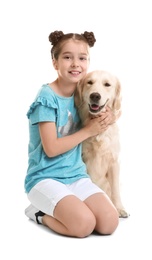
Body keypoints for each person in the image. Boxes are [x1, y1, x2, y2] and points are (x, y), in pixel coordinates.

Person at [24, 30, 120, 238]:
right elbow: (51, 149)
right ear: (55, 63)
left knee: (109, 223)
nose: (75, 64)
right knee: (83, 226)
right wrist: (88, 131)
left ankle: (69, 208)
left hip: (76, 176)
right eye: (67, 57)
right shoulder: (47, 98)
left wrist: (110, 117)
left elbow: (110, 107)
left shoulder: (83, 92)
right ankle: (38, 213)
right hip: (45, 178)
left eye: (82, 58)